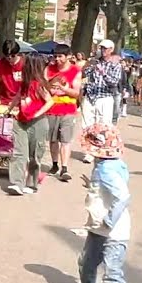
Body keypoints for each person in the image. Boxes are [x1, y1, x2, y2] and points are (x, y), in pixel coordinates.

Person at [73, 123, 133, 283]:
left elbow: (123, 196)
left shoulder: (107, 169)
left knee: (112, 273)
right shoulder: (111, 164)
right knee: (87, 259)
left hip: (113, 230)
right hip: (99, 227)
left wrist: (110, 219)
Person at [6, 54, 54, 196]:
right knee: (19, 152)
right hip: (21, 121)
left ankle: (32, 183)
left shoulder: (39, 84)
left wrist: (37, 113)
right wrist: (8, 109)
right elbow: (18, 96)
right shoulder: (24, 83)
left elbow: (49, 101)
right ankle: (16, 183)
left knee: (35, 154)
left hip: (37, 122)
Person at [80, 39, 125, 163]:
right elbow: (84, 74)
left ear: (111, 50)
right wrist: (89, 64)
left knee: (104, 125)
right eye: (101, 48)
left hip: (105, 97)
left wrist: (103, 73)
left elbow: (114, 82)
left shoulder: (115, 65)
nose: (103, 51)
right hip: (91, 96)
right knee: (88, 125)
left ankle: (102, 149)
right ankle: (89, 152)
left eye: (105, 48)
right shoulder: (94, 62)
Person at [44, 44, 82, 181]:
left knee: (65, 140)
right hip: (52, 109)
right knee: (53, 139)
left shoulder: (75, 71)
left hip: (68, 109)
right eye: (55, 56)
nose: (57, 59)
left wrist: (63, 89)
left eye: (60, 56)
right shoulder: (49, 69)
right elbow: (42, 86)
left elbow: (76, 93)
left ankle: (64, 168)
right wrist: (49, 90)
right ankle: (54, 164)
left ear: (68, 57)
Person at [0, 39, 25, 105]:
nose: (10, 58)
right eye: (7, 56)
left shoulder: (25, 63)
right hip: (4, 100)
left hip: (21, 100)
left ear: (17, 53)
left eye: (13, 56)